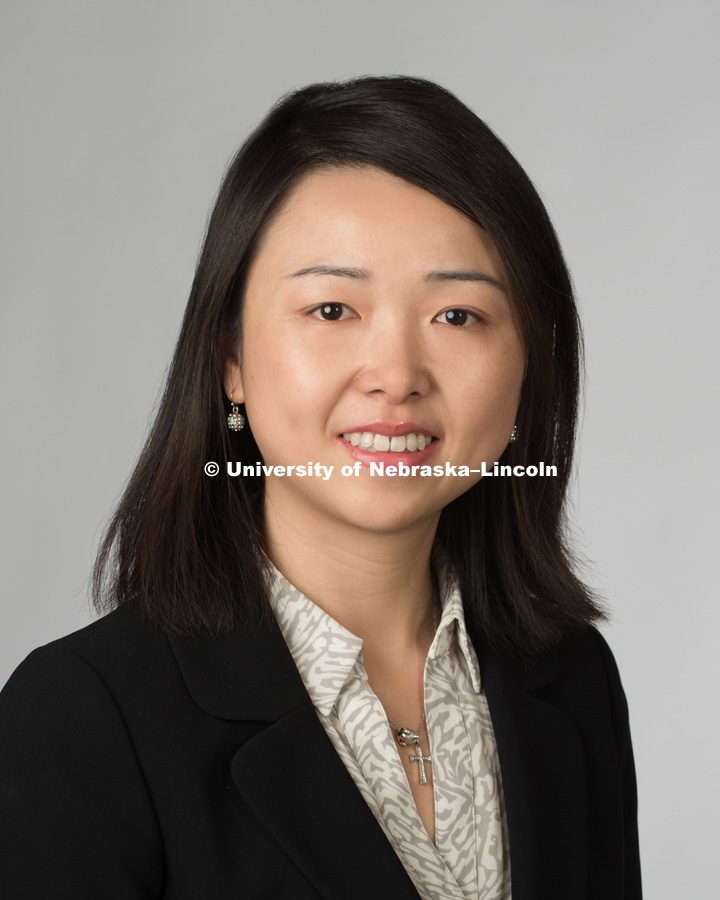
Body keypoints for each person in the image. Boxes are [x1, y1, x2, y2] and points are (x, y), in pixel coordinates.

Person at [0, 75, 641, 900]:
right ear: (229, 357)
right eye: (333, 309)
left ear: (528, 368)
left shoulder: (571, 678)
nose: (397, 377)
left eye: (458, 316)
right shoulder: (82, 718)